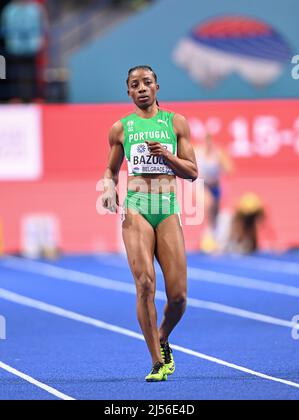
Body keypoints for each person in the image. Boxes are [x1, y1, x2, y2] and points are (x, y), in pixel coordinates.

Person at [101, 65, 198, 382]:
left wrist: (167, 156)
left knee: (179, 297)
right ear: (128, 92)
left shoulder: (176, 122)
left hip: (167, 207)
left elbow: (192, 172)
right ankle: (157, 362)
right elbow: (111, 171)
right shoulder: (121, 128)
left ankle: (163, 337)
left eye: (146, 83)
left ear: (157, 87)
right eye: (134, 84)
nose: (141, 88)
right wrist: (107, 190)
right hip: (137, 206)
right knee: (144, 283)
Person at [196, 133, 232, 251]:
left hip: (215, 185)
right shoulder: (197, 151)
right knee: (209, 204)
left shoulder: (218, 153)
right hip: (201, 184)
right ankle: (208, 234)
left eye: (210, 142)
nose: (208, 144)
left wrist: (223, 166)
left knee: (215, 214)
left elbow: (229, 169)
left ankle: (211, 235)